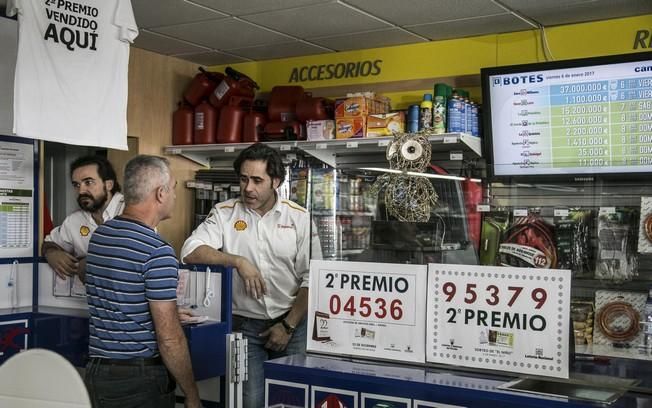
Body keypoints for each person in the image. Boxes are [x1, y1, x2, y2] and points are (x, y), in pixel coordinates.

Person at [181, 143, 321, 408]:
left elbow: (312, 277)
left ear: (276, 181)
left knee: (294, 400)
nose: (248, 188)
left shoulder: (299, 218)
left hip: (292, 324)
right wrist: (236, 261)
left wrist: (288, 326)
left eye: (257, 180)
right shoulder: (224, 214)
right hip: (245, 328)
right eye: (244, 179)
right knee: (250, 402)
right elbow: (190, 251)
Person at [84, 155, 202, 408]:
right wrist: (191, 394)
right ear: (161, 193)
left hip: (98, 371)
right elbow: (169, 339)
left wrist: (162, 311)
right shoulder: (157, 251)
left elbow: (118, 293)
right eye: (173, 189)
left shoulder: (100, 236)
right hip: (137, 379)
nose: (174, 196)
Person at [42, 155, 124, 283]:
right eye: (76, 185)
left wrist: (89, 264)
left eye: (88, 182)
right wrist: (52, 253)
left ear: (109, 184)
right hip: (88, 300)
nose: (81, 191)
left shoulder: (130, 211)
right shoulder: (75, 219)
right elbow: (50, 243)